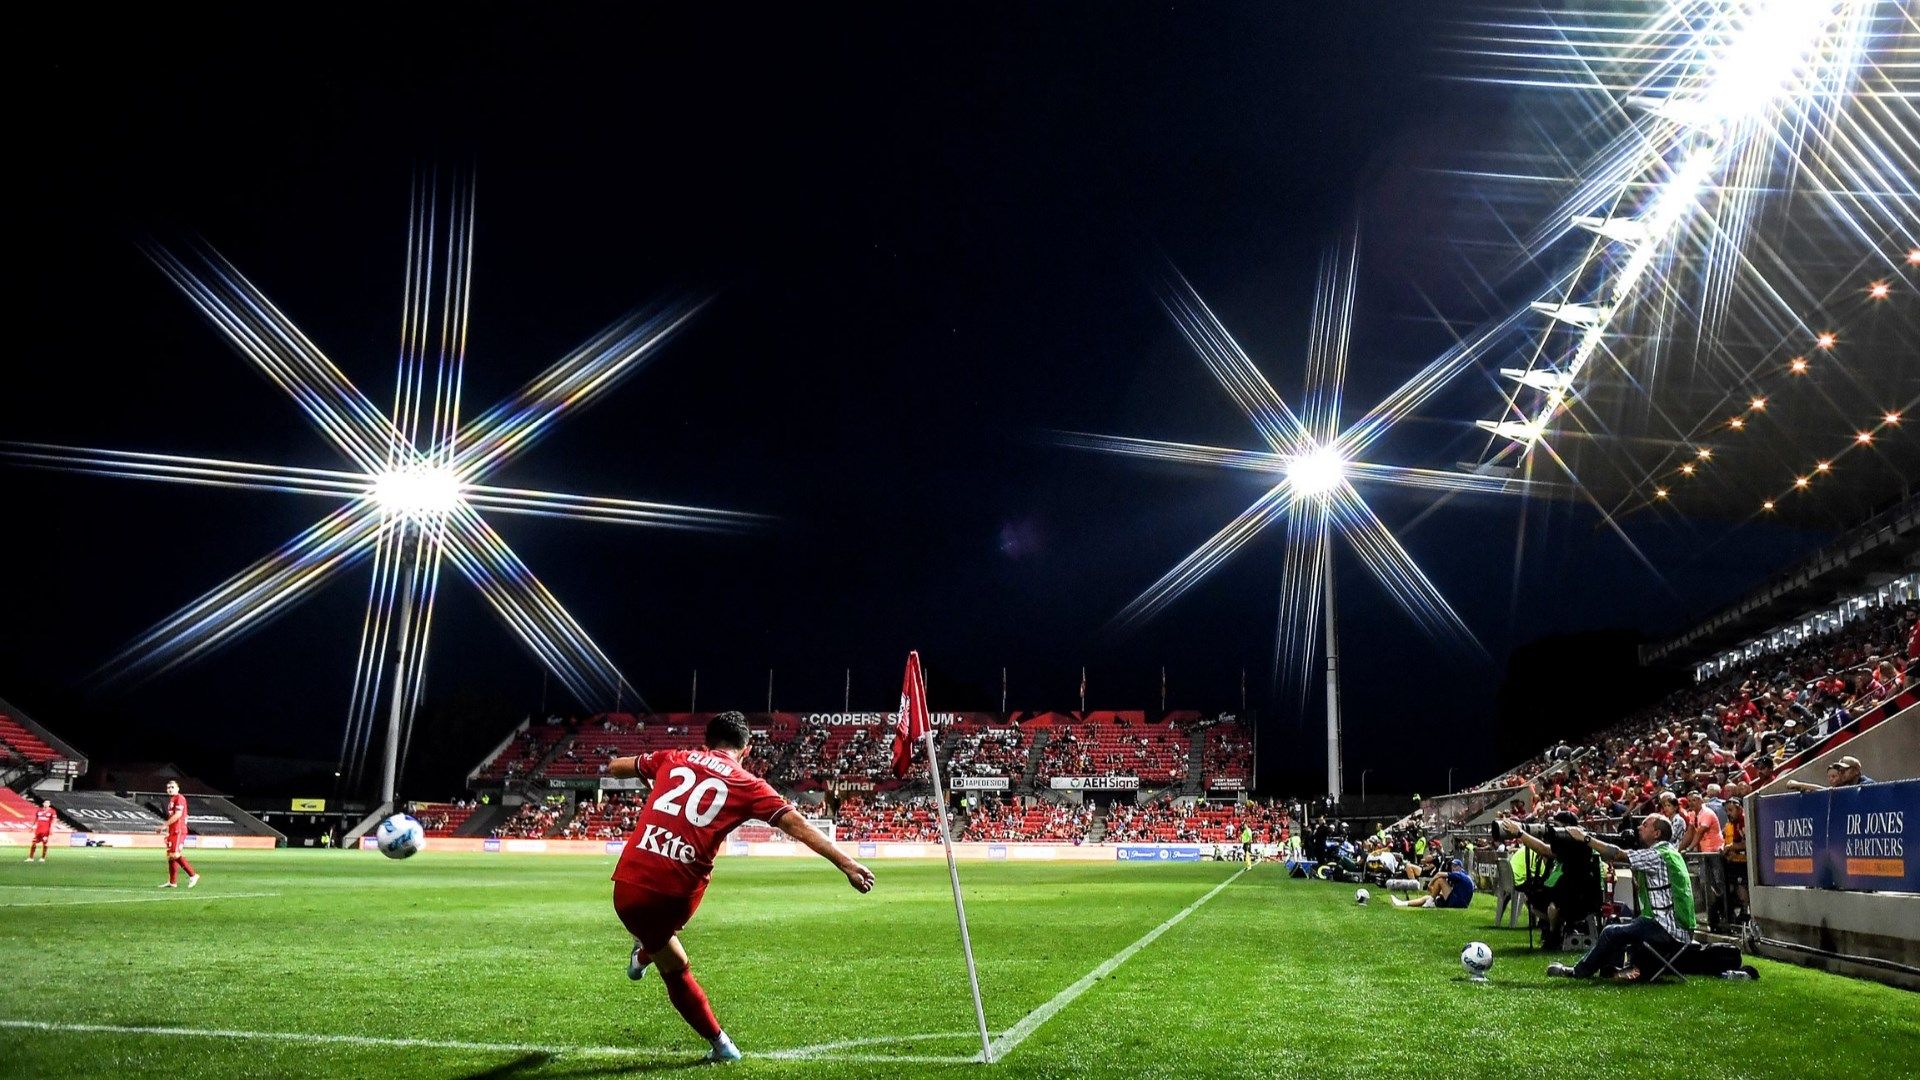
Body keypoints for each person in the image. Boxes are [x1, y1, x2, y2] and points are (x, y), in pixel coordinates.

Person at [605, 711, 874, 1063]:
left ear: (707, 742)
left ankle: (643, 955)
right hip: (674, 897)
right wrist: (848, 864)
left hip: (627, 885)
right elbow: (798, 825)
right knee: (676, 966)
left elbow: (615, 767)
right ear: (745, 749)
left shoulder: (673, 758)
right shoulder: (748, 783)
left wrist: (653, 779)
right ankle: (722, 1046)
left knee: (658, 939)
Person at [1547, 815, 1694, 981]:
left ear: (1657, 833)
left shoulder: (1657, 855)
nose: (1639, 827)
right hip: (1674, 926)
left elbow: (1617, 855)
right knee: (1613, 922)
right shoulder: (1670, 853)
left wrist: (1585, 838)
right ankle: (1610, 970)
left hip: (1667, 929)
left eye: (1645, 825)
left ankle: (1579, 972)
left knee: (1611, 932)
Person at [1495, 813, 1601, 949]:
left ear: (1567, 828)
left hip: (1579, 896)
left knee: (1553, 907)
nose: (1552, 830)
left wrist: (1520, 833)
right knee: (1533, 898)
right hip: (1567, 889)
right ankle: (1555, 929)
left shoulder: (1577, 841)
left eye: (1556, 827)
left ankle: (1554, 936)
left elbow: (1545, 850)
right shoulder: (1568, 842)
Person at [156, 780, 198, 888]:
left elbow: (178, 815)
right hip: (173, 830)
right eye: (168, 787)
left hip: (179, 830)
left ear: (178, 789)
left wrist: (164, 825)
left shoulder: (180, 798)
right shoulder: (172, 800)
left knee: (175, 855)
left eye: (172, 787)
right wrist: (168, 830)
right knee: (171, 857)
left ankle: (193, 875)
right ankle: (172, 882)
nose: (170, 789)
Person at [1392, 857, 1475, 909]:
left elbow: (1439, 874)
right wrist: (1437, 892)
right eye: (1452, 866)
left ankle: (1429, 902)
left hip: (1457, 902)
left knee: (1440, 880)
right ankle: (1403, 903)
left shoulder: (1459, 874)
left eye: (1455, 866)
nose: (1452, 868)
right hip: (1461, 902)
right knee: (1427, 897)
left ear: (1460, 867)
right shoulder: (1465, 876)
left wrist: (1430, 884)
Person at [26, 798, 56, 863]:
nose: (46, 804)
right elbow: (36, 819)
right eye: (45, 803)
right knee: (33, 842)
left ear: (49, 804)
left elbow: (54, 821)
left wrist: (51, 829)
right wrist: (32, 826)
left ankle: (43, 858)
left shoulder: (52, 811)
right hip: (38, 830)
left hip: (46, 830)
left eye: (48, 803)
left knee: (45, 843)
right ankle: (31, 858)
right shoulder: (39, 810)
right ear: (43, 803)